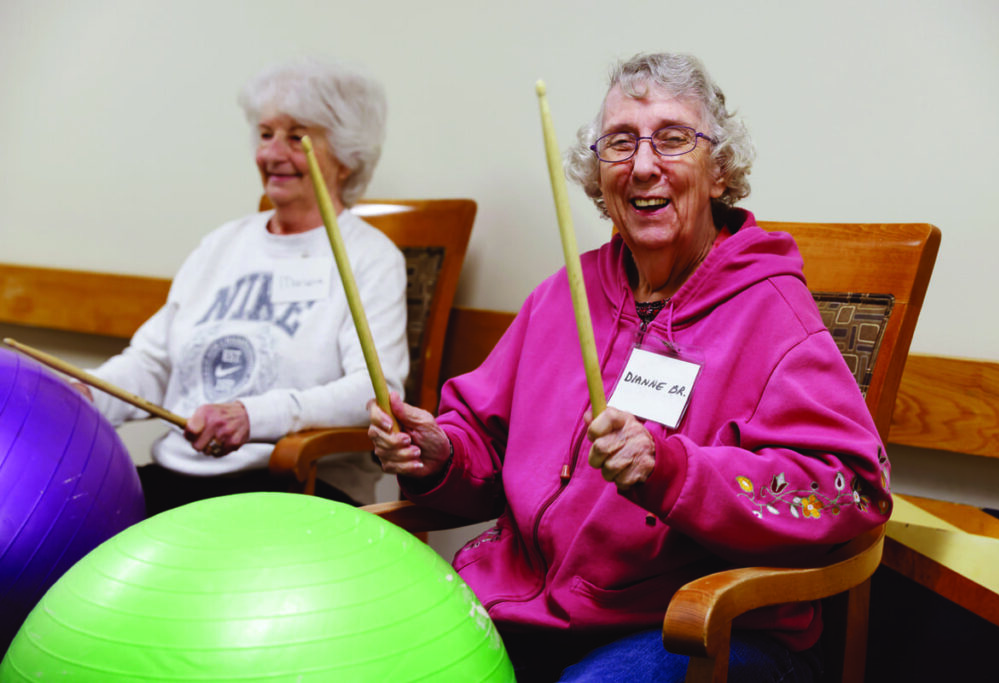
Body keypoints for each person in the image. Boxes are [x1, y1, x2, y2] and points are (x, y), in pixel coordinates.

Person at [368, 52, 891, 682]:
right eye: (620, 143)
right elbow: (485, 441)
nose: (644, 165)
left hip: (691, 628)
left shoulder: (773, 313)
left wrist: (672, 471)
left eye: (673, 139)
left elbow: (850, 489)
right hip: (524, 611)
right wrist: (441, 455)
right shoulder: (566, 294)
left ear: (720, 171)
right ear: (598, 177)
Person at [78, 58, 408, 516]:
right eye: (266, 133)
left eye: (297, 137)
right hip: (177, 481)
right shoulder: (221, 244)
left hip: (290, 489)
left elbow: (373, 392)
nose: (273, 154)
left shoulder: (371, 258)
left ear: (348, 156)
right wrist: (86, 395)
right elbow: (152, 362)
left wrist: (254, 417)